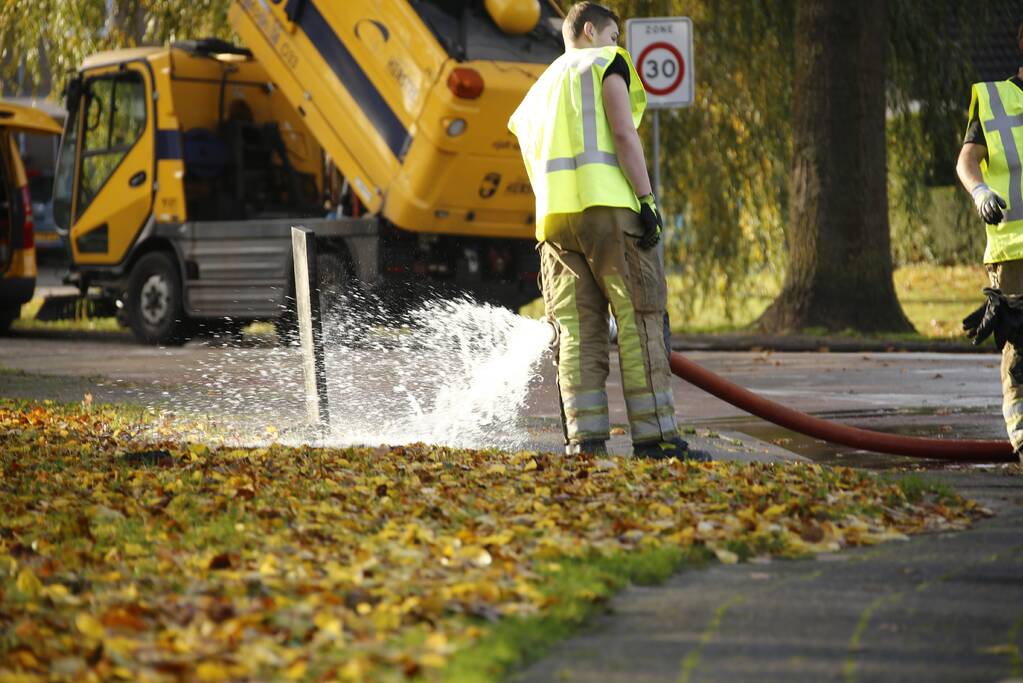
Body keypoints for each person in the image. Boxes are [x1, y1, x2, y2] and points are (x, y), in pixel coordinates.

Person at [508, 2, 706, 461]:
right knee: (640, 319)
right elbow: (622, 131)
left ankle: (584, 440)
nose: (617, 45)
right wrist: (647, 200)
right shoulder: (605, 62)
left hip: (555, 222)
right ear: (590, 30)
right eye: (614, 35)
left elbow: (530, 154)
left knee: (576, 331)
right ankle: (657, 439)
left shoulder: (540, 87)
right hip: (612, 211)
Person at [956, 21, 1023, 461]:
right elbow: (967, 160)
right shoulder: (997, 98)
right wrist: (979, 190)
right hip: (1015, 251)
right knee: (1022, 347)